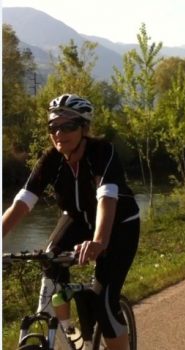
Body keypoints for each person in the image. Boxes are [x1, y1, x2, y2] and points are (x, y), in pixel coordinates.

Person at [2, 94, 139, 350]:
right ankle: (71, 332)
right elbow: (22, 202)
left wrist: (99, 241)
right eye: (53, 127)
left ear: (84, 128)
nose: (59, 133)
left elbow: (107, 198)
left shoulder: (102, 152)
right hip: (76, 220)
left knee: (104, 304)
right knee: (49, 262)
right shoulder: (50, 160)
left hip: (119, 225)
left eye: (68, 126)